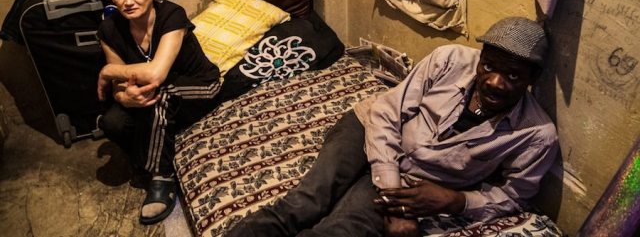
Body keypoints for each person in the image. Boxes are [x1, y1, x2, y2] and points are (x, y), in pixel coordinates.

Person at [226, 17, 559, 237]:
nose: (495, 82)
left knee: (342, 230)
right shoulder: (451, 60)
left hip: (413, 179)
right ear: (480, 57)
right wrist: (389, 187)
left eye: (513, 75)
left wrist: (455, 201)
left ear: (533, 78)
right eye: (489, 67)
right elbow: (387, 113)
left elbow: (514, 196)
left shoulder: (536, 135)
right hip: (368, 129)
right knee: (304, 203)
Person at [96, 0, 222, 225]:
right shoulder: (109, 28)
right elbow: (119, 86)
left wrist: (106, 72)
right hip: (153, 92)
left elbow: (155, 74)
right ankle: (146, 154)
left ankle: (162, 177)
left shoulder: (171, 15)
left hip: (199, 86)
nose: (128, 1)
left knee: (161, 93)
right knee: (112, 121)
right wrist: (123, 97)